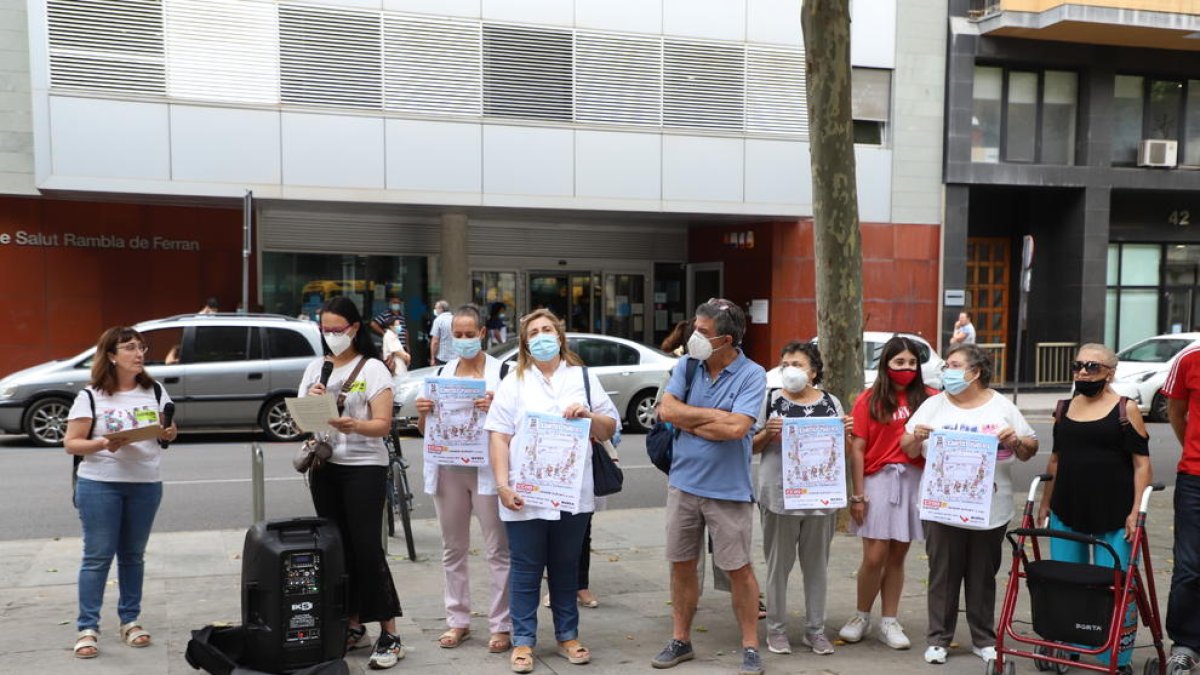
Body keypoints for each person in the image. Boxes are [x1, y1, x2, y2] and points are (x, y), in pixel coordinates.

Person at [484, 308, 619, 674]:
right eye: (534, 332)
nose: (541, 336)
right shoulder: (514, 381)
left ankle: (567, 636)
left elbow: (610, 428)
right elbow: (498, 434)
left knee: (565, 567)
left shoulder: (582, 378)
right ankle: (523, 640)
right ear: (526, 342)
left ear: (559, 336)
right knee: (525, 568)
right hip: (525, 493)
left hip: (573, 493)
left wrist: (589, 416)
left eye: (547, 329)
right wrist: (501, 484)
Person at [900, 344, 1037, 666]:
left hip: (989, 508)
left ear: (974, 373)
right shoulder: (933, 405)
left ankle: (983, 638)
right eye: (946, 364)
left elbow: (1030, 447)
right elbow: (906, 447)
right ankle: (938, 639)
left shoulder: (1001, 406)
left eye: (954, 365)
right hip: (941, 506)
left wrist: (1014, 441)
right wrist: (917, 436)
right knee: (943, 573)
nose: (946, 370)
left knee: (981, 574)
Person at [651, 299, 767, 675]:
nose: (693, 336)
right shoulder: (687, 365)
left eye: (702, 331)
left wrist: (692, 420)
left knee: (738, 568)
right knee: (682, 565)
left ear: (726, 339)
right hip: (683, 484)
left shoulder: (752, 374)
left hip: (729, 490)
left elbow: (737, 430)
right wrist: (715, 417)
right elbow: (666, 411)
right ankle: (681, 639)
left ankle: (750, 645)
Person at [299, 296, 405, 669]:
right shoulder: (315, 369)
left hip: (364, 467)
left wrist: (353, 425)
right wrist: (314, 404)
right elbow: (302, 424)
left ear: (354, 329)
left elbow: (382, 425)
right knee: (336, 549)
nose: (331, 336)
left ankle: (389, 632)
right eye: (325, 329)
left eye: (337, 329)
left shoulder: (374, 369)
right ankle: (352, 623)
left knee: (365, 548)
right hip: (325, 467)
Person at [64, 327, 178, 659]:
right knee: (98, 556)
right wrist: (102, 443)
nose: (139, 353)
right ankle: (87, 627)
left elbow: (167, 432)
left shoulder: (155, 390)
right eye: (129, 348)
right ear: (111, 356)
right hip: (100, 482)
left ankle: (130, 620)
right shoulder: (91, 395)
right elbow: (72, 443)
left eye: (141, 347)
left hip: (145, 483)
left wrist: (168, 431)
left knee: (133, 556)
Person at [1037, 344, 1151, 675]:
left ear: (1110, 372)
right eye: (1078, 366)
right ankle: (1068, 643)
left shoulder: (1125, 409)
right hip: (1068, 507)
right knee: (1067, 582)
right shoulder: (1063, 408)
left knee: (1113, 584)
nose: (1084, 372)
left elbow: (1142, 465)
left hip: (1114, 512)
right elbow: (1056, 459)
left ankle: (1114, 655)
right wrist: (1045, 501)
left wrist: (1135, 512)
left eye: (1092, 366)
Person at [415, 304, 512, 654]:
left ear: (483, 334)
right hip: (450, 470)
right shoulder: (442, 374)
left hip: (488, 471)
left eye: (470, 334)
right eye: (458, 335)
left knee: (498, 550)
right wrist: (422, 414)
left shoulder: (505, 374)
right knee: (452, 548)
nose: (464, 340)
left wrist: (496, 408)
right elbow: (427, 430)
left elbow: (518, 426)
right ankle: (457, 620)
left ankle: (502, 625)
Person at [751, 341, 851, 656]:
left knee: (817, 567)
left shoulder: (832, 403)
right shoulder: (769, 400)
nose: (790, 370)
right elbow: (749, 445)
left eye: (798, 364)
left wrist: (845, 434)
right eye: (785, 364)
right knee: (778, 567)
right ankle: (776, 630)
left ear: (814, 371)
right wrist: (767, 433)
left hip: (820, 499)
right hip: (779, 498)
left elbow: (842, 454)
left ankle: (815, 630)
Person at [838, 335, 934, 651]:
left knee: (897, 555)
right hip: (878, 479)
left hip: (914, 481)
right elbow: (858, 447)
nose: (906, 368)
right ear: (886, 365)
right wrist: (858, 494)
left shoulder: (931, 399)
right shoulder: (869, 400)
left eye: (911, 362)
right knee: (874, 554)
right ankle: (861, 615)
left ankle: (889, 620)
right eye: (898, 362)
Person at [1161, 342, 1200, 672]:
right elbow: (1175, 413)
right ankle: (1186, 644)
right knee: (1189, 565)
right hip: (1195, 479)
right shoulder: (1189, 359)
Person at [371, 297, 411, 373]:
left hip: (401, 345)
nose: (396, 304)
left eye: (398, 303)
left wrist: (407, 345)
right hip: (394, 349)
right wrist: (383, 333)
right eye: (394, 303)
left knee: (403, 366)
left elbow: (405, 331)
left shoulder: (401, 316)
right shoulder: (386, 315)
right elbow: (373, 324)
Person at [430, 300, 455, 366]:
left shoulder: (438, 320)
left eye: (436, 308)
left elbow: (435, 342)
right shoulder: (455, 318)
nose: (435, 310)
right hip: (456, 357)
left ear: (441, 309)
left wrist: (432, 358)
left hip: (442, 357)